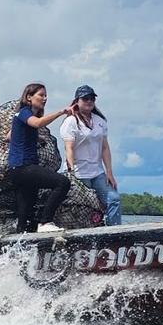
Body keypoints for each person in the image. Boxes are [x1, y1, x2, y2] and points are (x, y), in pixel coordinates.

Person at [8, 83, 72, 233]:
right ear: (29, 97)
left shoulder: (23, 117)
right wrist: (61, 112)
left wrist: (35, 139)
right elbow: (37, 123)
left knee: (26, 215)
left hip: (18, 170)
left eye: (45, 95)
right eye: (41, 95)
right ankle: (46, 221)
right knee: (62, 183)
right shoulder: (24, 112)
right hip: (23, 167)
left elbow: (9, 136)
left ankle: (18, 250)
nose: (45, 98)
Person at [60, 84, 122, 225]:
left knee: (113, 199)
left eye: (92, 99)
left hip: (97, 172)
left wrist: (109, 172)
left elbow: (105, 147)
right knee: (85, 208)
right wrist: (71, 172)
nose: (89, 101)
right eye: (85, 98)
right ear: (77, 101)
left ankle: (114, 231)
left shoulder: (100, 121)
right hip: (79, 173)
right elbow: (68, 147)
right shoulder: (70, 122)